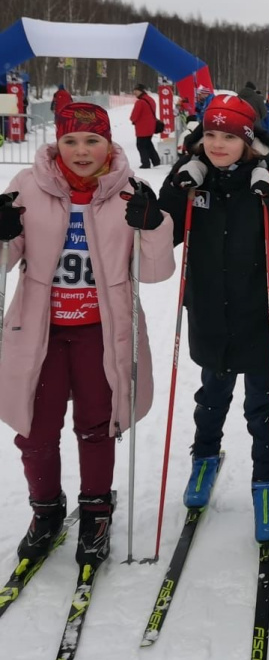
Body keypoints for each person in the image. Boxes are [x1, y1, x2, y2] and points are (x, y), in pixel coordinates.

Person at [0, 102, 175, 566]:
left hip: (103, 330)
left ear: (108, 143)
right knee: (35, 429)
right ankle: (46, 509)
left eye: (92, 140)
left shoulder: (128, 191)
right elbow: (5, 258)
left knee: (98, 426)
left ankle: (97, 509)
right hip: (41, 330)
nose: (81, 150)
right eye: (71, 140)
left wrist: (153, 226)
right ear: (57, 141)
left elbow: (154, 273)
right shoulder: (27, 187)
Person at [158, 94, 269, 541]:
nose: (218, 144)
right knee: (211, 399)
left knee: (263, 410)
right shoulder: (192, 180)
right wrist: (169, 191)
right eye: (210, 134)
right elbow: (161, 234)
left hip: (262, 315)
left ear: (247, 140)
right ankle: (204, 457)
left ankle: (266, 480)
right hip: (211, 310)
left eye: (229, 136)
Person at [130, 84, 162, 170]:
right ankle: (156, 161)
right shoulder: (150, 100)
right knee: (148, 144)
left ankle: (145, 163)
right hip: (151, 126)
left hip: (142, 128)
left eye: (136, 91)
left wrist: (132, 119)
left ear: (141, 91)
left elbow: (134, 115)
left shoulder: (140, 102)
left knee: (141, 145)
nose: (134, 93)